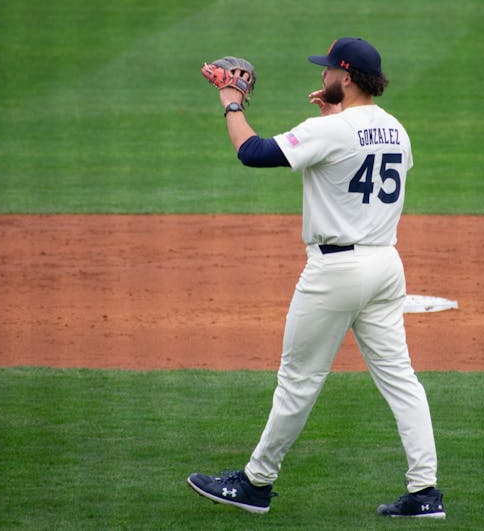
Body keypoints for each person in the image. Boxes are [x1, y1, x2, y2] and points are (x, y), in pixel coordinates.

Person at [187, 37, 445, 519]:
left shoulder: (335, 130)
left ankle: (256, 483)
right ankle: (425, 491)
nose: (322, 75)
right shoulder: (396, 130)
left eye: (328, 70)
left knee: (298, 381)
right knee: (400, 379)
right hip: (386, 267)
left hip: (336, 271)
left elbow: (253, 152)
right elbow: (355, 170)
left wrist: (231, 102)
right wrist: (332, 123)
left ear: (345, 78)